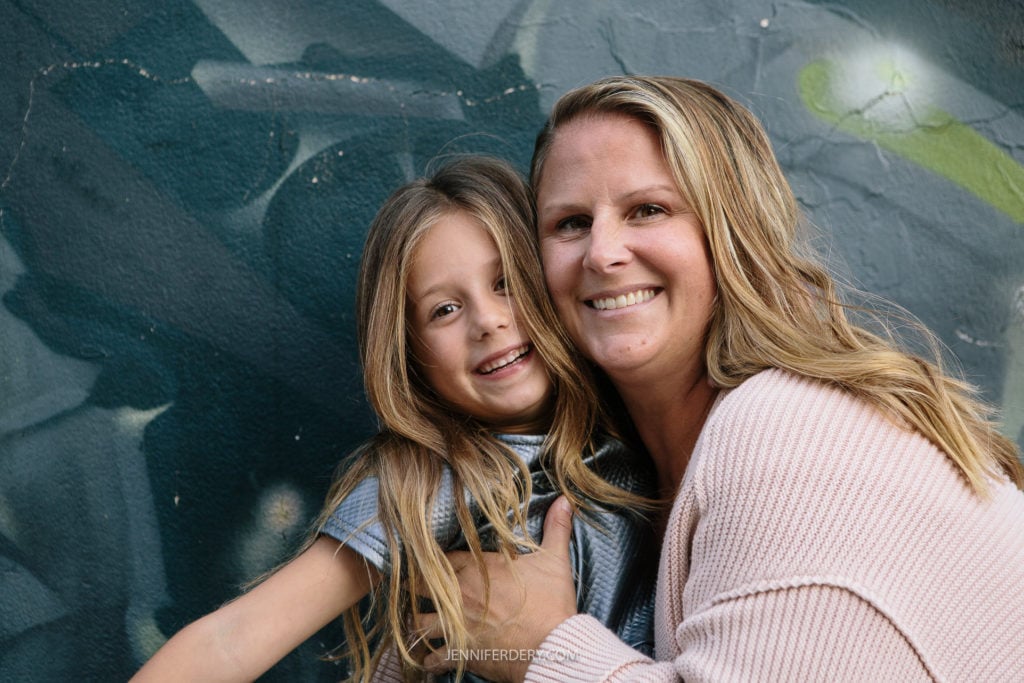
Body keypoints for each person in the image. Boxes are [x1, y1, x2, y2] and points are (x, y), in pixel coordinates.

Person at [424, 76, 1024, 682]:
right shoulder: (615, 474)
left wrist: (541, 648)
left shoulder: (793, 433)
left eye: (648, 210)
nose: (602, 253)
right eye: (572, 223)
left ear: (731, 230)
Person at [130, 155, 657, 682]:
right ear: (412, 358)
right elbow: (230, 640)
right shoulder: (432, 480)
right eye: (444, 310)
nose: (488, 321)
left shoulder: (651, 426)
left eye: (506, 283)